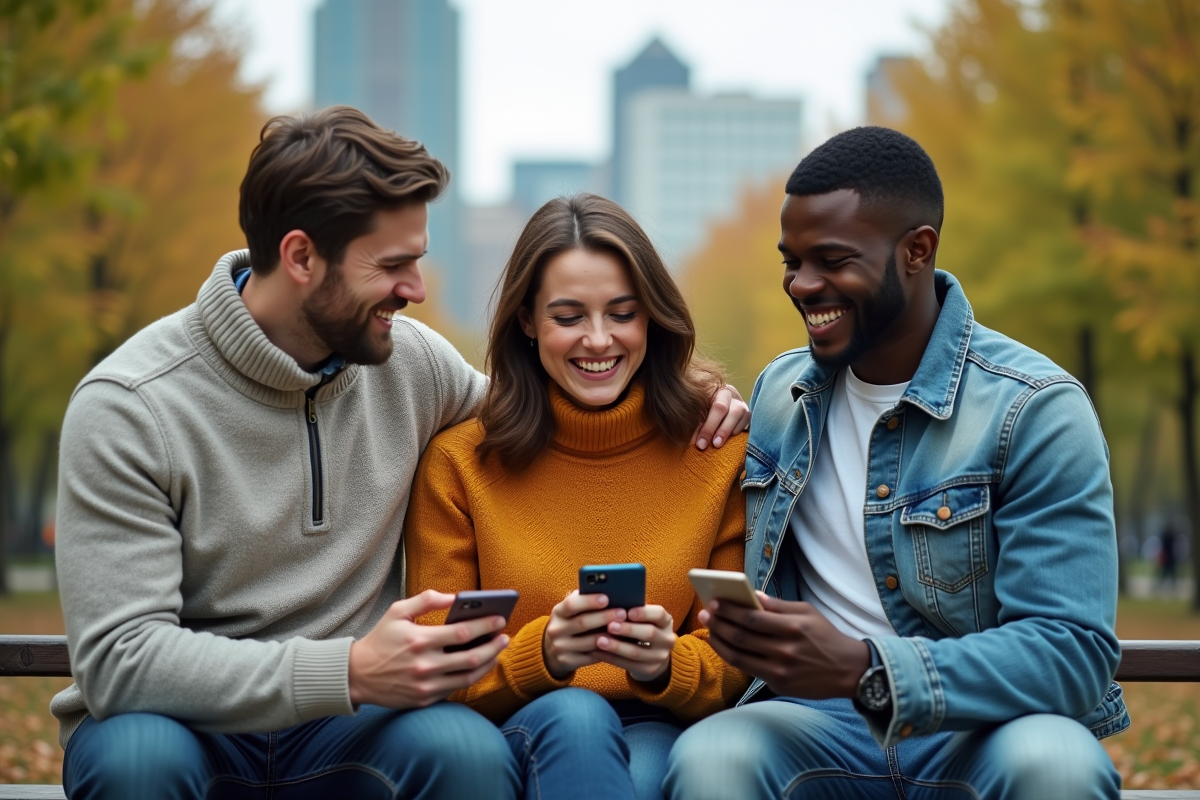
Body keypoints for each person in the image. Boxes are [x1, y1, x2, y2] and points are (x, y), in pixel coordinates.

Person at [51, 107, 749, 800]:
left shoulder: (409, 364)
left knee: (464, 751)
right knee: (135, 758)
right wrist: (348, 670)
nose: (415, 291)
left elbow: (553, 410)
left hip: (350, 727)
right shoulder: (130, 404)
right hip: (183, 722)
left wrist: (698, 395)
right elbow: (120, 660)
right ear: (300, 257)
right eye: (394, 266)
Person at [665, 127, 1128, 800]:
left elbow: (1071, 650)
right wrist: (699, 398)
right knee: (713, 758)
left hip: (983, 728)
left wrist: (865, 666)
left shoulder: (1035, 409)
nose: (802, 285)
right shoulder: (776, 395)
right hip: (813, 725)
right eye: (791, 261)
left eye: (831, 259)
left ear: (917, 250)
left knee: (1058, 765)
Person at [404, 193, 751, 800]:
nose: (598, 340)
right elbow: (436, 661)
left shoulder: (718, 451)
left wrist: (667, 663)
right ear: (527, 323)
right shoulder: (461, 463)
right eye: (567, 318)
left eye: (622, 313)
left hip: (658, 723)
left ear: (652, 317)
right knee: (577, 717)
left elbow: (737, 661)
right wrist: (543, 653)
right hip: (510, 723)